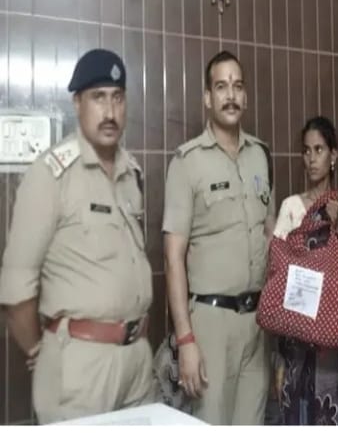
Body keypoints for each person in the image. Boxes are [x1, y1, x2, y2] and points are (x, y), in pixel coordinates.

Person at [0, 49, 153, 423]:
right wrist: (41, 350)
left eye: (117, 98)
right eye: (98, 97)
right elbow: (15, 286)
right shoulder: (51, 174)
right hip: (80, 369)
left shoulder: (131, 172)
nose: (110, 111)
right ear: (77, 103)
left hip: (136, 361)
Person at [162, 50, 275, 425]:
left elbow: (270, 235)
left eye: (237, 86)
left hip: (258, 325)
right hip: (210, 324)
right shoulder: (187, 162)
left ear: (246, 96)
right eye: (221, 87)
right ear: (208, 98)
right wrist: (185, 340)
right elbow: (172, 257)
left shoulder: (261, 156)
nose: (231, 95)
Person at [272, 116, 338, 426]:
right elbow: (276, 277)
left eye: (319, 150)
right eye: (306, 150)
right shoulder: (291, 208)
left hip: (332, 349)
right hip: (295, 345)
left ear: (333, 155)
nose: (311, 158)